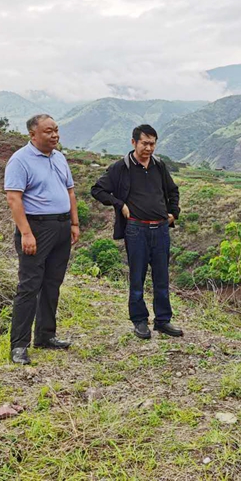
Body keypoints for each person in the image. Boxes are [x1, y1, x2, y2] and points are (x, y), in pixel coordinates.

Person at [91, 124, 182, 340]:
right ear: (134, 143)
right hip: (136, 229)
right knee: (137, 277)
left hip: (160, 229)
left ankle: (163, 320)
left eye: (152, 144)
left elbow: (172, 191)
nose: (149, 148)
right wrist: (119, 204)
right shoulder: (120, 167)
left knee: (161, 276)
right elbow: (97, 189)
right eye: (145, 143)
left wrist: (173, 213)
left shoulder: (159, 165)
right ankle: (139, 321)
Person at [4, 114, 79, 365]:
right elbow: (14, 199)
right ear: (32, 134)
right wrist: (26, 232)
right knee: (29, 286)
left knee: (52, 283)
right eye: (48, 131)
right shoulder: (20, 160)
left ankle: (46, 336)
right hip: (36, 228)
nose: (55, 135)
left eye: (56, 130)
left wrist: (74, 222)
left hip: (61, 226)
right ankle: (19, 345)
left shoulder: (59, 157)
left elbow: (70, 191)